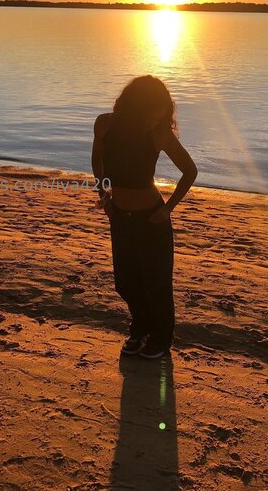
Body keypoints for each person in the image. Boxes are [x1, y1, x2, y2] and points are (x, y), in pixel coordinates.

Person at [91, 75, 198, 359]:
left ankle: (160, 339)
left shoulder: (158, 134)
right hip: (119, 216)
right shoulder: (105, 124)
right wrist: (103, 194)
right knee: (125, 282)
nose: (158, 118)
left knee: (157, 283)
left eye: (162, 112)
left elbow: (190, 171)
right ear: (137, 106)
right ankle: (140, 328)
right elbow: (97, 159)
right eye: (154, 110)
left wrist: (168, 209)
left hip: (151, 219)